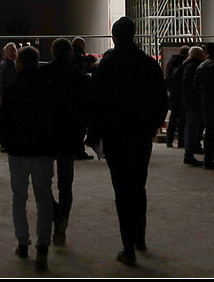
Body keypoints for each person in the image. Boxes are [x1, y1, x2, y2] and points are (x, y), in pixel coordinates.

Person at [88, 17, 168, 267]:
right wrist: (150, 127)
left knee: (122, 191)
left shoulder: (107, 65)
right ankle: (140, 239)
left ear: (114, 37)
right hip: (140, 136)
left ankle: (128, 248)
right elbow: (161, 102)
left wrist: (95, 134)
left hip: (115, 136)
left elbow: (96, 103)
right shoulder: (147, 64)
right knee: (138, 186)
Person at [0, 45, 64, 270]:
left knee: (19, 197)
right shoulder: (50, 88)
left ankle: (22, 242)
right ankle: (43, 245)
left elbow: (5, 122)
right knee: (44, 196)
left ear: (19, 62)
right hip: (43, 150)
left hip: (18, 150)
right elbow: (57, 120)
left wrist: (6, 144)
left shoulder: (11, 89)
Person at [42, 37, 89, 245]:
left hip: (48, 136)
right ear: (70, 53)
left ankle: (56, 216)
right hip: (70, 136)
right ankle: (62, 225)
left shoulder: (43, 74)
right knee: (65, 186)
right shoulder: (79, 77)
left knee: (43, 184)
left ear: (52, 52)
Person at [180, 45, 206, 165]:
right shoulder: (195, 67)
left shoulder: (185, 65)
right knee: (192, 127)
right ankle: (189, 153)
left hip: (188, 101)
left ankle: (190, 151)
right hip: (194, 102)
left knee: (191, 127)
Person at [164, 50, 186, 148]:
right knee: (182, 118)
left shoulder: (171, 63)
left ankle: (169, 140)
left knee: (173, 117)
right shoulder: (183, 64)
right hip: (180, 93)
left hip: (173, 93)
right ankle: (181, 141)